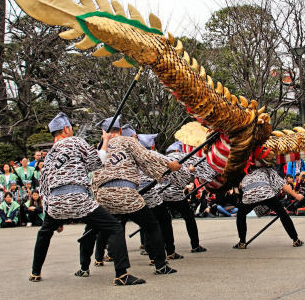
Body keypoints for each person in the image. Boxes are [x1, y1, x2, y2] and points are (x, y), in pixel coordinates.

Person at [30, 112, 145, 286]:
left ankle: (35, 272)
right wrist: (105, 141)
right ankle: (121, 274)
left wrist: (54, 213)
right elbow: (97, 162)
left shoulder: (49, 155)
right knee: (114, 227)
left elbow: (44, 186)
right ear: (67, 129)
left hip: (55, 201)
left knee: (45, 232)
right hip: (78, 198)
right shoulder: (76, 142)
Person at [81, 117, 181, 277]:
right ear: (120, 130)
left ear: (104, 132)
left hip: (102, 194)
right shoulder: (127, 141)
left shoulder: (99, 148)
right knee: (151, 225)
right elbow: (147, 156)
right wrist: (169, 164)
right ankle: (160, 265)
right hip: (125, 192)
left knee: (103, 229)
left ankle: (84, 267)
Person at [233, 146, 304, 249]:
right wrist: (296, 196)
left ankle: (242, 242)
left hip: (250, 195)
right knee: (282, 213)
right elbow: (282, 185)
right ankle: (295, 239)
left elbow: (239, 185)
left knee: (240, 214)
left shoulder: (246, 172)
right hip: (265, 193)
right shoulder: (268, 170)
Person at [159, 140, 206, 256]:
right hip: (175, 194)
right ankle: (195, 245)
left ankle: (170, 251)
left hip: (160, 193)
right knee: (189, 217)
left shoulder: (163, 158)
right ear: (177, 150)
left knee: (164, 221)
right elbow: (183, 180)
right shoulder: (181, 157)